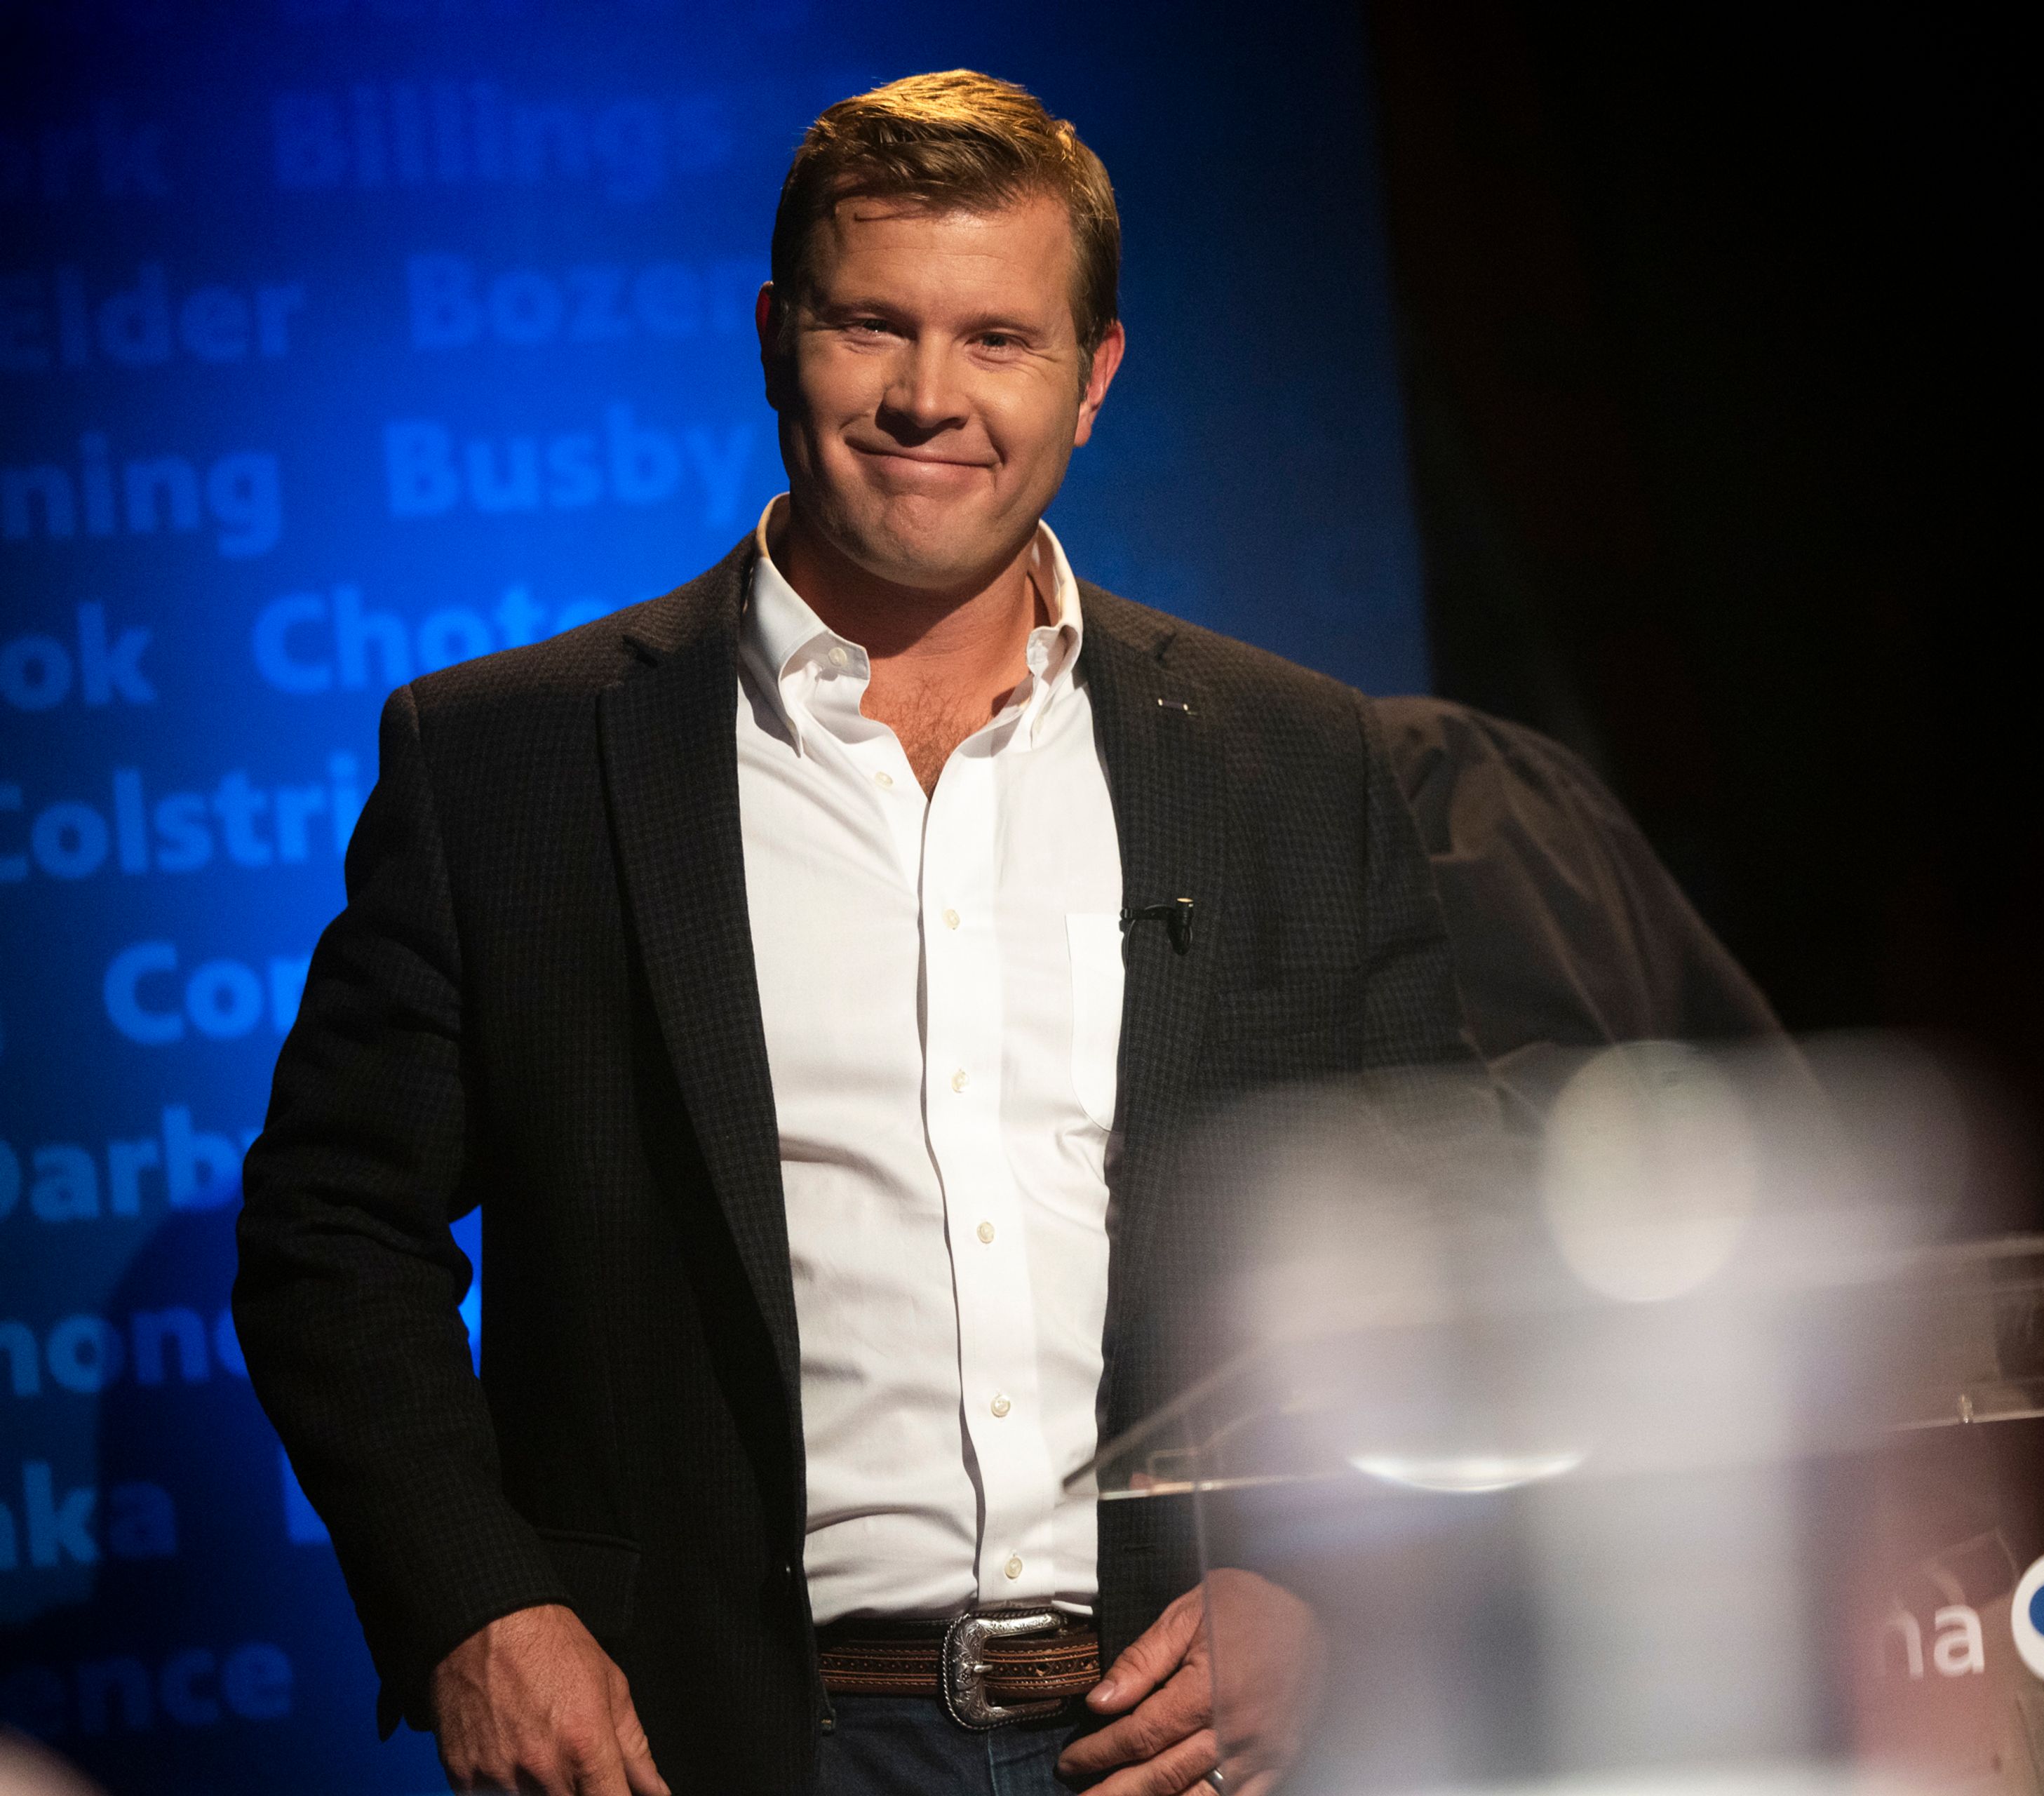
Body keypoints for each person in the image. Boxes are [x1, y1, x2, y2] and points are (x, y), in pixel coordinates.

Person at [234, 71, 1473, 1796]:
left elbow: (1444, 1225)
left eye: (998, 339)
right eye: (868, 324)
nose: (924, 397)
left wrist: (1333, 1583)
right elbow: (331, 1236)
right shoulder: (506, 759)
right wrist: (478, 1604)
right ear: (772, 335)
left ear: (1097, 377)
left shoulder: (1291, 760)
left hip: (1177, 1742)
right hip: (713, 1743)